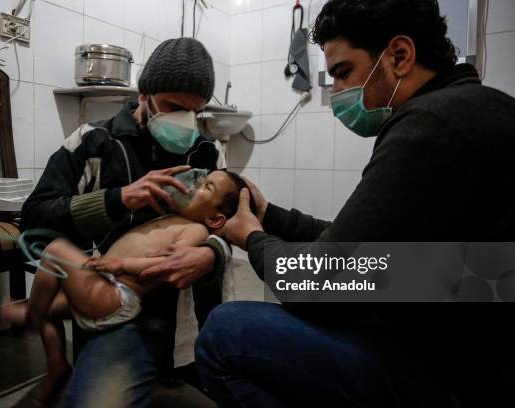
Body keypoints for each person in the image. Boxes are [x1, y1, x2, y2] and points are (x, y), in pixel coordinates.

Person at [195, 0, 515, 407]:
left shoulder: (431, 127)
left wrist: (252, 237)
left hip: (461, 379)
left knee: (226, 334)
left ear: (399, 56)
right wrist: (271, 217)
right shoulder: (477, 110)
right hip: (471, 344)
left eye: (343, 72)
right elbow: (371, 256)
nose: (337, 92)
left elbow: (318, 283)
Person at [20, 37, 231, 406]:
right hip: (118, 311)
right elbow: (35, 220)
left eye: (192, 112)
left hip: (180, 316)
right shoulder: (94, 142)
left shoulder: (204, 152)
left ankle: (166, 375)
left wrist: (212, 253)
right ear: (144, 93)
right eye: (173, 107)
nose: (183, 121)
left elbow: (229, 221)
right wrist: (116, 199)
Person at [3, 169, 254, 403]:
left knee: (55, 250)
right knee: (49, 308)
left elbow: (167, 264)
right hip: (105, 285)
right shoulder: (174, 216)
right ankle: (57, 363)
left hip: (117, 294)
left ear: (215, 218)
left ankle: (30, 315)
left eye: (206, 186)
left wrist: (123, 264)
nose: (192, 182)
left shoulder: (197, 230)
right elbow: (36, 214)